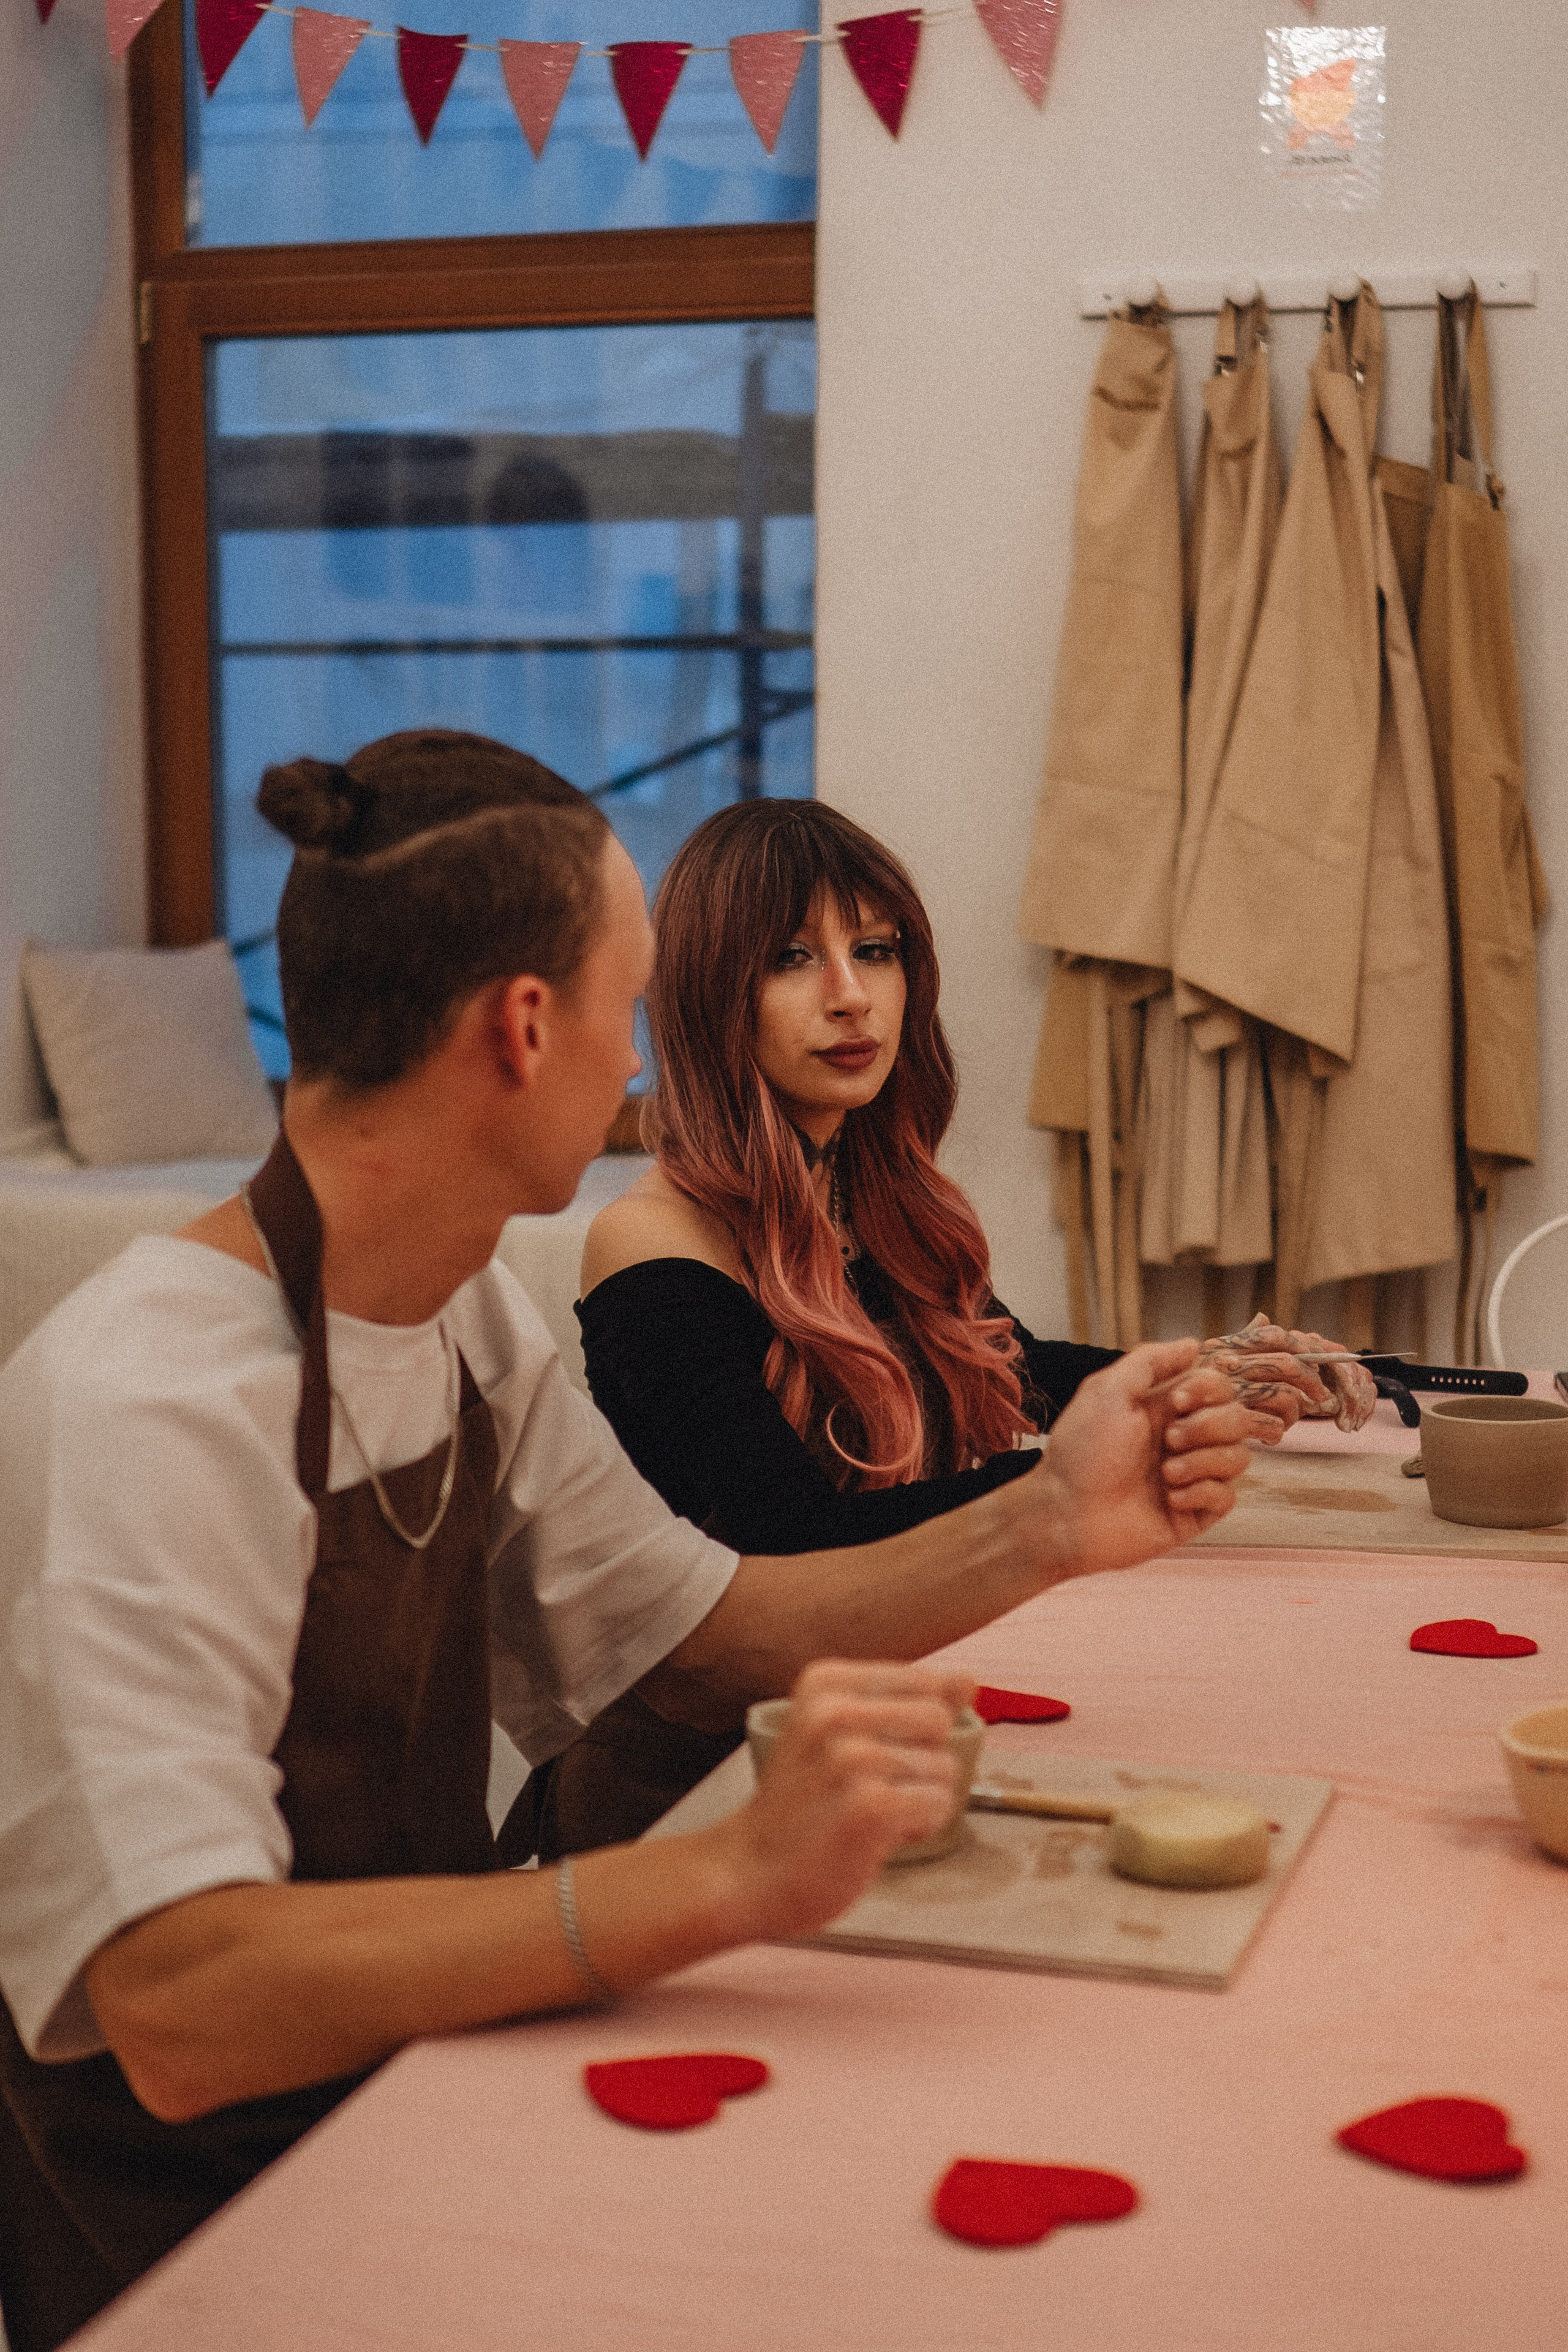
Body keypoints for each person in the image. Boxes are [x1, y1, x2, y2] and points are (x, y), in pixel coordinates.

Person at [0, 733, 1259, 2352]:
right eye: (639, 997)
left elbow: (707, 1633)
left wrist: (1052, 1523)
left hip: (418, 2081)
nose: (646, 1061)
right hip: (204, 2216)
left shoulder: (457, 1323)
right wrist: (721, 1878)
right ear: (530, 1029)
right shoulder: (148, 1404)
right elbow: (177, 2005)